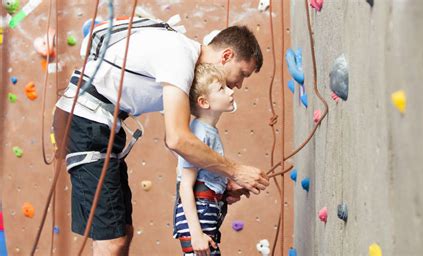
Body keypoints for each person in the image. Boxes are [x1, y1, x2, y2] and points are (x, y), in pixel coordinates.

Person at [52, 17, 269, 256]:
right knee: (111, 240)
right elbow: (177, 139)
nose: (238, 85)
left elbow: (186, 148)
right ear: (226, 56)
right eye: (242, 74)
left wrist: (218, 181)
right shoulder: (179, 56)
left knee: (123, 233)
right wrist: (235, 170)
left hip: (98, 124)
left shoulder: (183, 64)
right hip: (85, 121)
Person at [173, 63, 247, 255]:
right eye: (221, 88)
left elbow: (205, 175)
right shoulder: (199, 134)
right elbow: (185, 185)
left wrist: (225, 188)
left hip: (206, 209)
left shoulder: (207, 131)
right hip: (198, 214)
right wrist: (196, 234)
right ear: (204, 102)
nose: (230, 91)